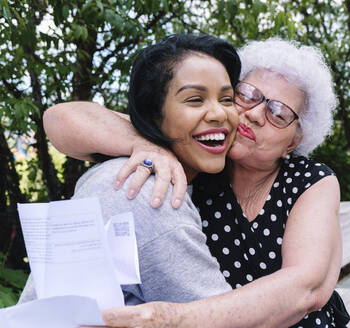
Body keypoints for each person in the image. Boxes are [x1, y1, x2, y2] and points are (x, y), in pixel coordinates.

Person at [45, 38, 350, 327]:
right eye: (247, 95)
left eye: (278, 113)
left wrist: (174, 320)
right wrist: (146, 145)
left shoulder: (308, 181)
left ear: (293, 142)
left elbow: (306, 289)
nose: (255, 114)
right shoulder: (198, 155)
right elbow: (62, 118)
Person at [19, 34, 241, 305]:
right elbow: (219, 316)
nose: (219, 113)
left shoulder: (130, 164)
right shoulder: (148, 190)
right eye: (195, 100)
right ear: (153, 115)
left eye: (227, 99)